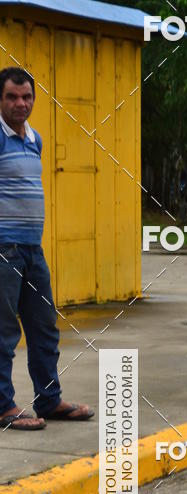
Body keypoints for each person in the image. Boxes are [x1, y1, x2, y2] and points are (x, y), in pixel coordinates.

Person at [0, 67, 94, 430]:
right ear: (1, 99)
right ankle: (3, 405)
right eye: (11, 97)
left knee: (44, 328)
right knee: (5, 332)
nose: (20, 104)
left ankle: (49, 400)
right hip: (3, 250)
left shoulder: (33, 139)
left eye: (26, 97)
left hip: (31, 251)